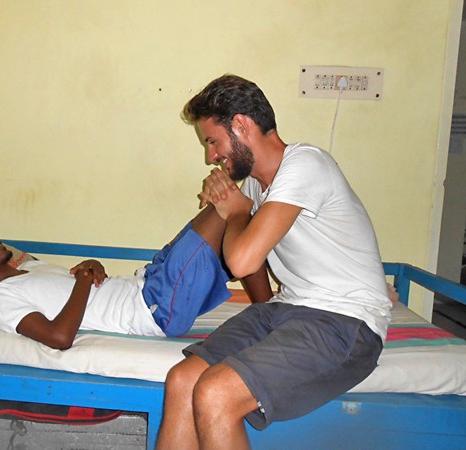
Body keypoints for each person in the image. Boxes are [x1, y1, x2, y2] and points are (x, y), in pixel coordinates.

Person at [155, 74, 392, 449]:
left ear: (241, 125)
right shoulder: (254, 184)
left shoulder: (306, 164)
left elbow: (242, 262)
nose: (211, 157)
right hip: (287, 310)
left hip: (344, 320)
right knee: (182, 380)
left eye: (213, 142)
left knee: (216, 393)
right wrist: (227, 203)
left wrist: (235, 212)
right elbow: (251, 261)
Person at [0, 208, 271, 350]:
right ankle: (269, 316)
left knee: (240, 216)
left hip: (148, 281)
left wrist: (91, 265)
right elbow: (59, 337)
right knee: (229, 209)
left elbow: (83, 286)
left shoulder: (31, 268)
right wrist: (83, 279)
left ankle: (266, 311)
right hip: (151, 308)